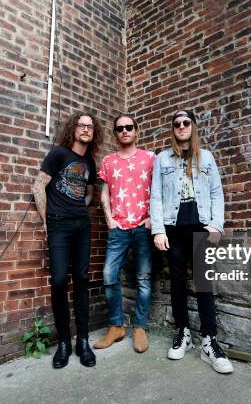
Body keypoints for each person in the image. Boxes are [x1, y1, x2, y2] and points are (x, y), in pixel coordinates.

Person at [149, 109, 233, 374]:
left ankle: (210, 341)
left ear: (193, 127)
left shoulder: (206, 157)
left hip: (201, 227)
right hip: (173, 228)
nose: (182, 126)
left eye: (186, 123)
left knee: (203, 282)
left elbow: (217, 192)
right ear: (173, 129)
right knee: (177, 282)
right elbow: (156, 196)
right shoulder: (162, 159)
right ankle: (182, 332)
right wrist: (158, 230)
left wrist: (217, 225)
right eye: (177, 124)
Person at [32, 112, 102, 369]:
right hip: (59, 225)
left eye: (90, 126)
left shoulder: (90, 162)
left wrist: (80, 209)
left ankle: (82, 342)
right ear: (74, 128)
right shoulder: (59, 154)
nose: (86, 129)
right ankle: (64, 342)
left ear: (94, 133)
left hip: (82, 226)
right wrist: (47, 221)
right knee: (60, 279)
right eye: (82, 125)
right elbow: (39, 186)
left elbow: (90, 191)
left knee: (82, 279)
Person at [94, 115, 155, 353]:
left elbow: (158, 189)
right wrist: (109, 218)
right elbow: (104, 192)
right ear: (115, 134)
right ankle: (117, 326)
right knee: (109, 274)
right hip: (118, 228)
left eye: (129, 127)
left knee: (143, 279)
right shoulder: (108, 161)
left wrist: (152, 218)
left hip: (142, 226)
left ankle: (140, 327)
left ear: (137, 131)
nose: (125, 131)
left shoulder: (150, 158)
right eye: (120, 129)